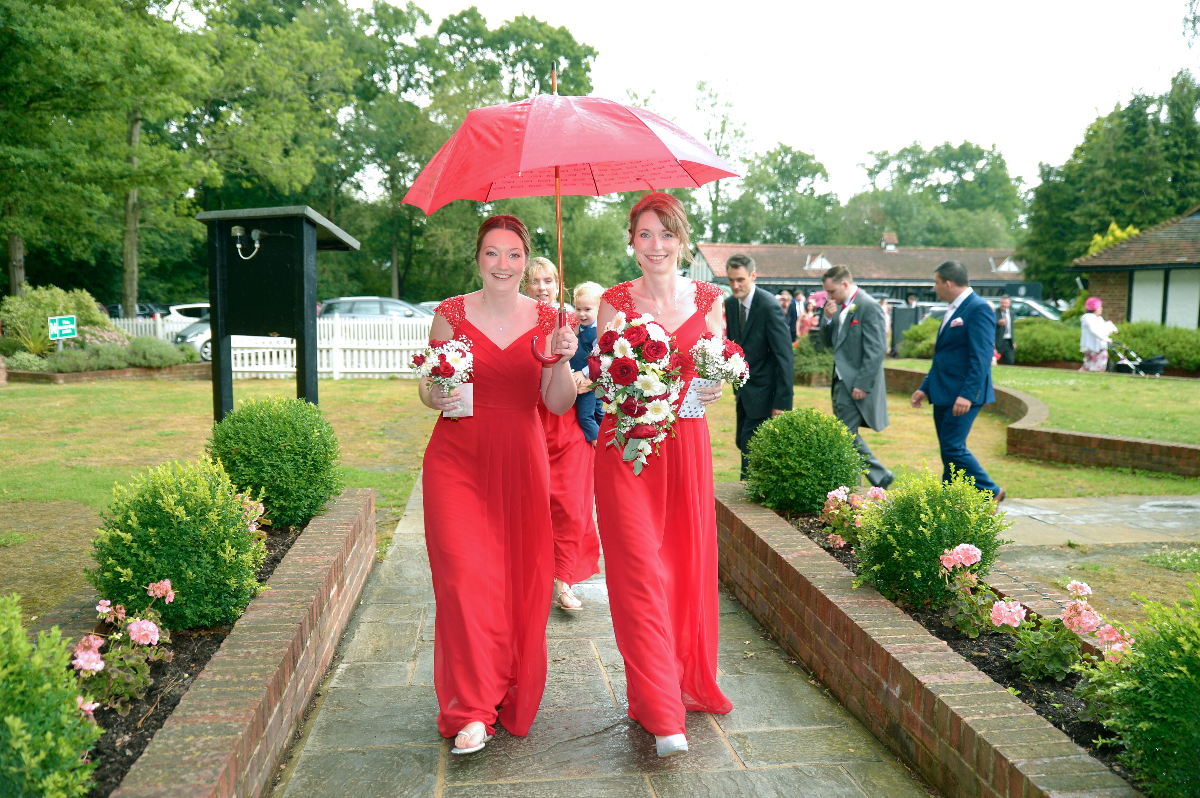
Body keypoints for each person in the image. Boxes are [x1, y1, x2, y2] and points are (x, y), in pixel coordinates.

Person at [420, 215, 579, 755]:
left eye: (514, 254)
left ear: (526, 260)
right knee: (463, 580)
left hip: (520, 457)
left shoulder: (549, 318)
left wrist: (561, 357)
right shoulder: (450, 314)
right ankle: (470, 709)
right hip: (457, 458)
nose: (504, 264)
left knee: (517, 581)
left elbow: (556, 403)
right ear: (478, 257)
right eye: (493, 253)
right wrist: (433, 394)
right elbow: (429, 385)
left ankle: (507, 687)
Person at [594, 192, 732, 758]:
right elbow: (603, 380)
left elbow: (717, 370)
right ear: (632, 242)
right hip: (626, 449)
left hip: (686, 450)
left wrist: (713, 386)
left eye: (665, 234)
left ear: (682, 240)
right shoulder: (612, 301)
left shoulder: (710, 298)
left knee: (681, 568)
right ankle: (659, 708)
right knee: (638, 572)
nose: (655, 246)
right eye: (644, 235)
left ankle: (678, 680)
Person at [523, 260, 601, 612]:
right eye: (535, 281)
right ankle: (531, 577)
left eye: (548, 280)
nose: (542, 287)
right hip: (529, 423)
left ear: (558, 284)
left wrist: (587, 382)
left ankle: (564, 581)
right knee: (533, 506)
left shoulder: (573, 321)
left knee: (571, 505)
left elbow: (603, 363)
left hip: (569, 425)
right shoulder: (514, 321)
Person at [910, 261, 1004, 503]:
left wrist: (968, 394)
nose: (934, 287)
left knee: (953, 447)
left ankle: (991, 492)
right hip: (943, 392)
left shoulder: (978, 308)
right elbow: (944, 355)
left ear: (948, 283)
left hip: (963, 395)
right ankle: (948, 500)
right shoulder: (953, 308)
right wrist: (924, 387)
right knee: (948, 450)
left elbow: (982, 358)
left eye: (936, 282)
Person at [821, 266, 894, 488]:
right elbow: (828, 343)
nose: (829, 297)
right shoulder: (839, 308)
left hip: (855, 383)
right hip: (839, 380)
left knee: (845, 434)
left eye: (832, 292)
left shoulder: (869, 306)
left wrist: (863, 383)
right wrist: (827, 319)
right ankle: (861, 482)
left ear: (845, 284)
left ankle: (875, 476)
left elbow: (876, 350)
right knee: (845, 434)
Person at [724, 254, 795, 478]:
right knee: (742, 442)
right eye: (731, 280)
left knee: (750, 448)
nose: (735, 285)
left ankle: (748, 501)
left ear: (753, 276)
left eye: (741, 280)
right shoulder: (730, 305)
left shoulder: (768, 305)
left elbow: (784, 356)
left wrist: (782, 403)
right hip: (744, 393)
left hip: (767, 393)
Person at [1079, 297, 1118, 372]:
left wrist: (1111, 328)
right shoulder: (1088, 318)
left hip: (1100, 347)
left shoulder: (1099, 318)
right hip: (1091, 347)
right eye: (1099, 307)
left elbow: (1103, 331)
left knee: (1096, 367)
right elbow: (1094, 331)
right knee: (1091, 367)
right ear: (1094, 308)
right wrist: (1106, 339)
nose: (1101, 308)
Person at [995, 295, 1015, 365]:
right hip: (998, 341)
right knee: (995, 360)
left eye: (1006, 303)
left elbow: (1011, 328)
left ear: (1009, 303)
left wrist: (1013, 341)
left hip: (1009, 341)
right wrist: (998, 323)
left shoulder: (1011, 313)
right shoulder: (995, 312)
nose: (1004, 305)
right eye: (1002, 303)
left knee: (1010, 361)